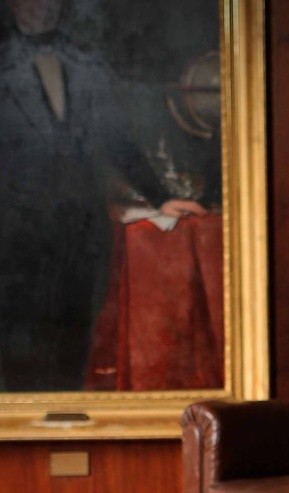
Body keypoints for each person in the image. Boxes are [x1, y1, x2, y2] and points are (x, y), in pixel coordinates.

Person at [0, 0, 205, 391]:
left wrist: (160, 198)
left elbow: (118, 141)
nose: (43, 7)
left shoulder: (87, 64)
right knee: (19, 348)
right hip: (14, 239)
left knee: (75, 342)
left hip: (82, 232)